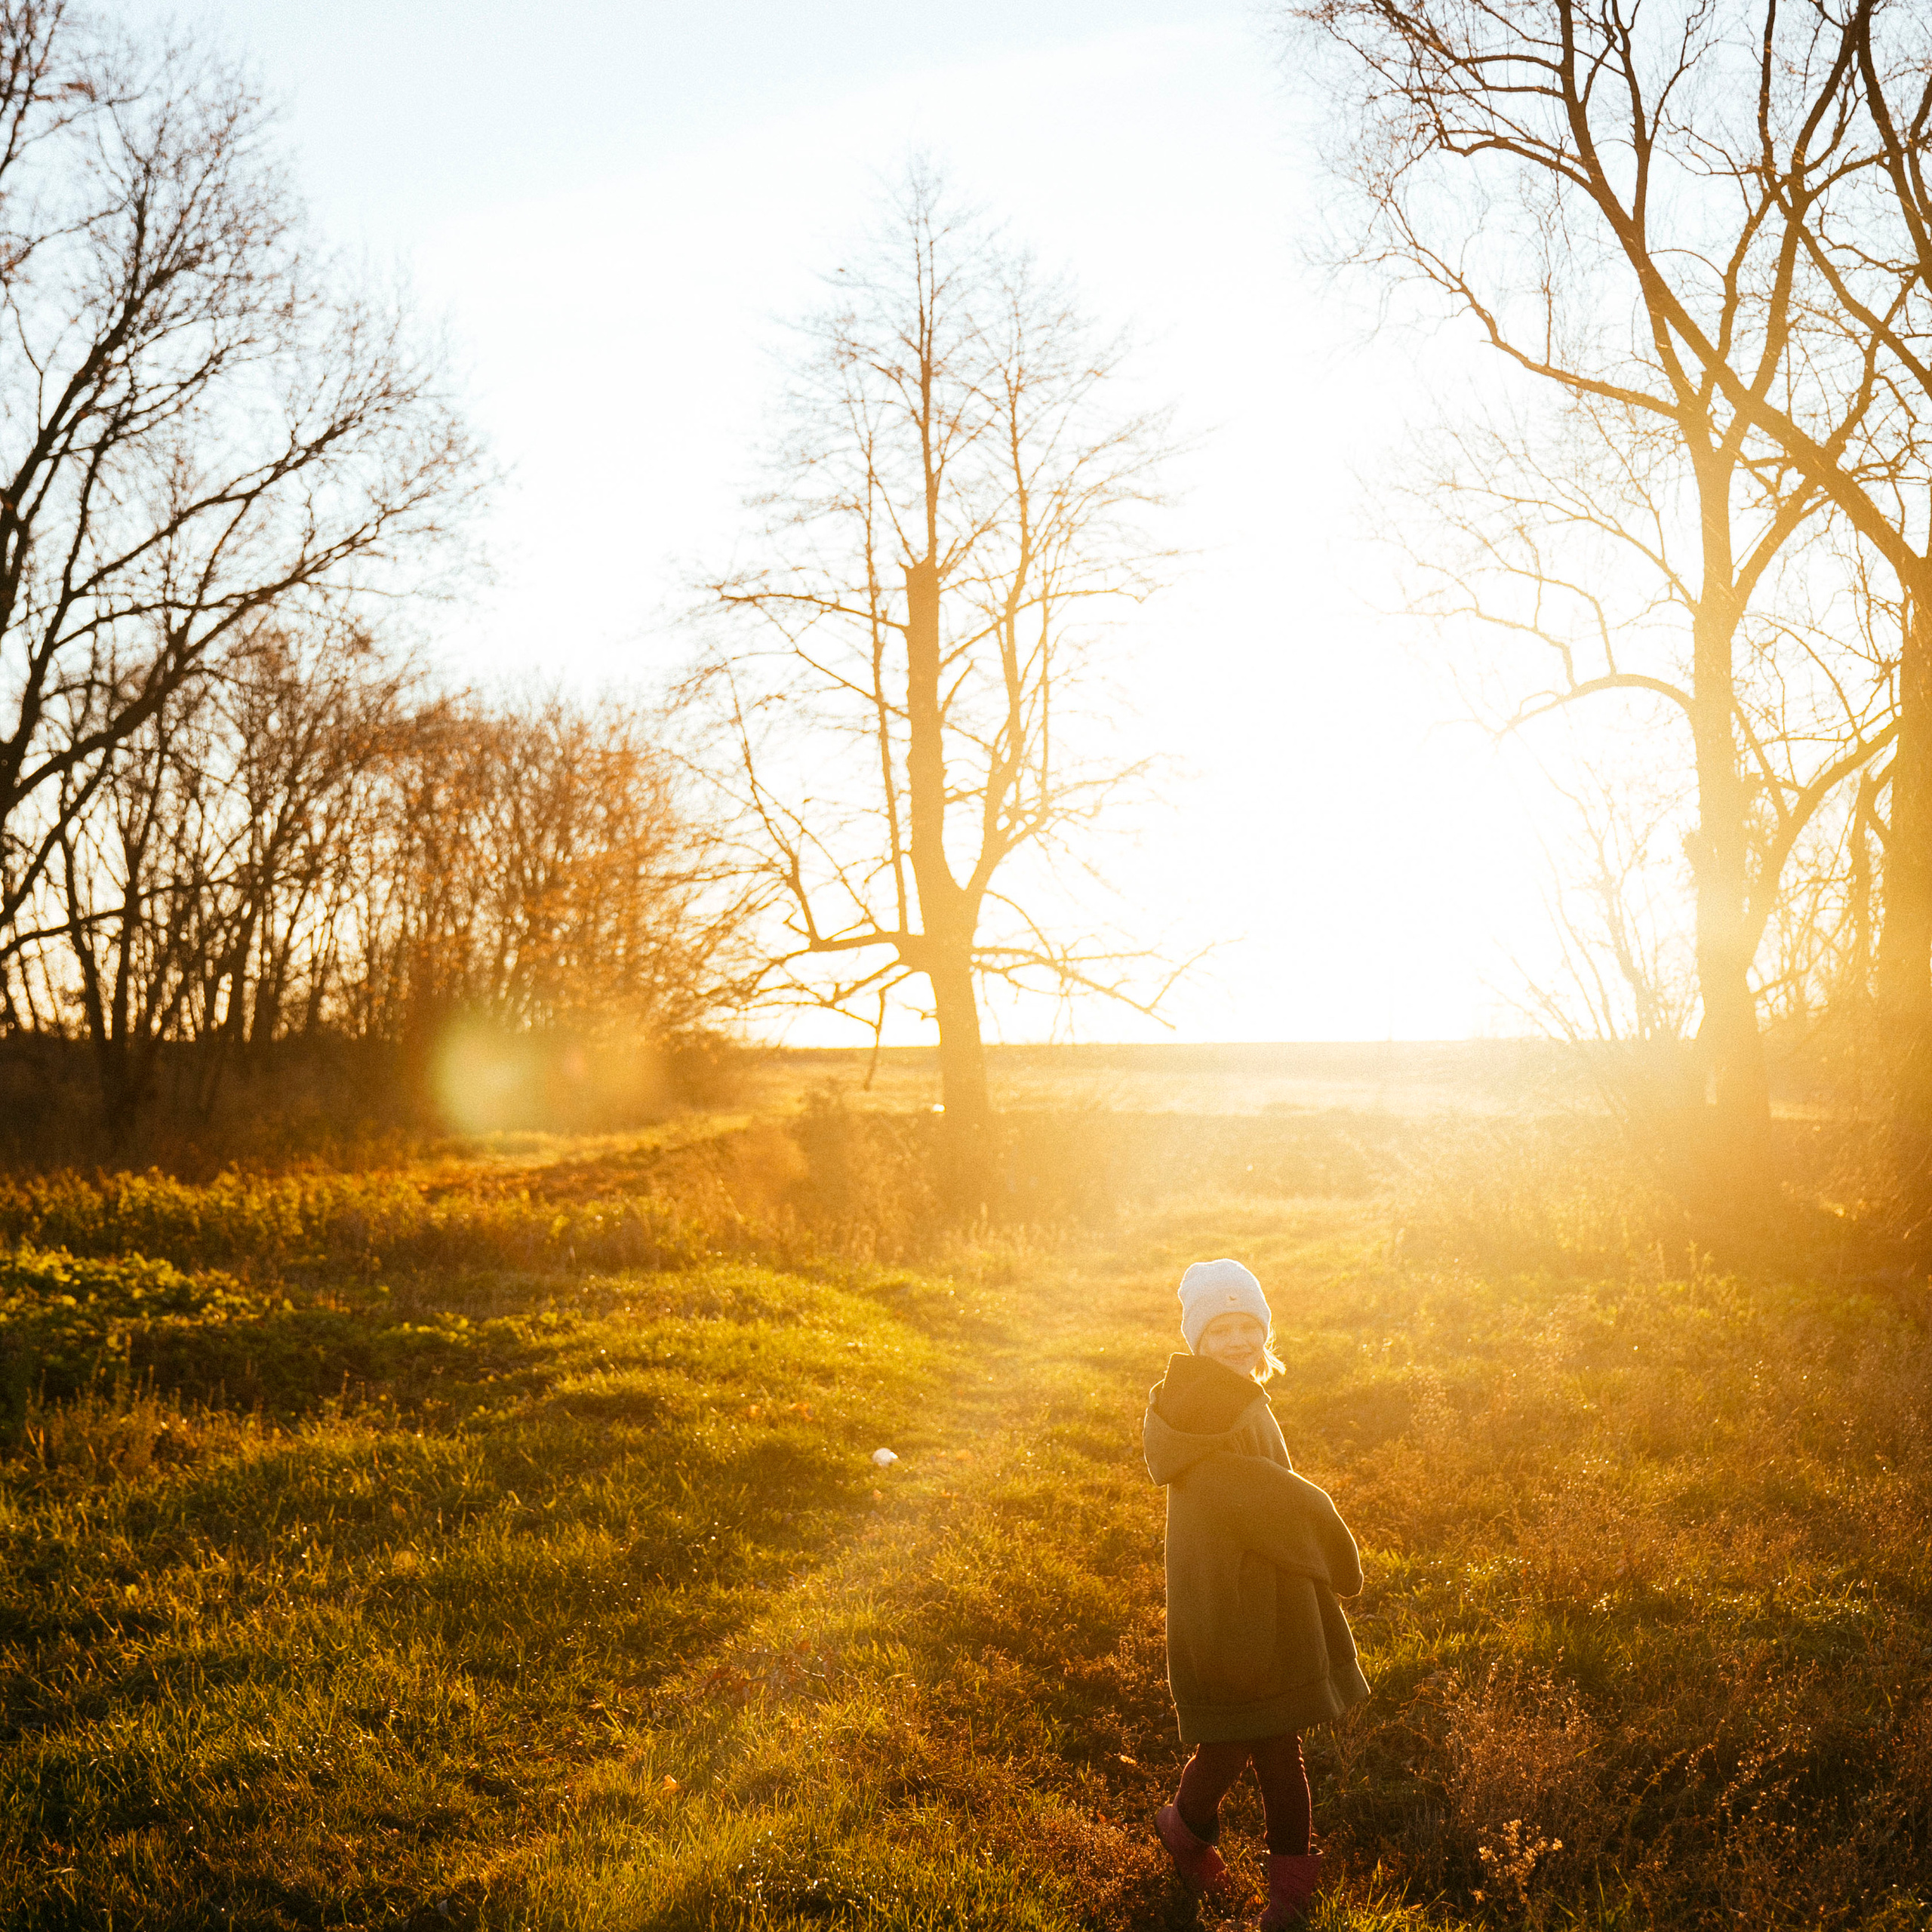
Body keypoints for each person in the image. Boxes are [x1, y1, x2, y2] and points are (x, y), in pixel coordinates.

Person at [1143, 1257, 1369, 1928]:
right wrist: (1334, 1553)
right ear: (1197, 1341)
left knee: (1235, 1742)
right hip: (1259, 1607)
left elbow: (1263, 1503)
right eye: (1222, 1331)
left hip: (1218, 1600)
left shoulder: (1192, 1403)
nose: (1239, 1341)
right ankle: (1290, 1899)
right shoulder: (1232, 1408)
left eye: (1249, 1326)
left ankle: (1184, 1830)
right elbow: (1279, 1507)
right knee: (1274, 1751)